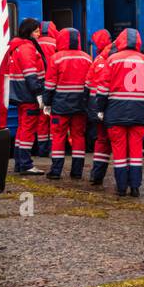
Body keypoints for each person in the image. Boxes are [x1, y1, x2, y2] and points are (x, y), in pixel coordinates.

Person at [93, 28, 144, 198]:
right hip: (139, 112)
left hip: (115, 113)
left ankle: (121, 187)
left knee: (119, 152)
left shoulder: (112, 60)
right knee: (136, 151)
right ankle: (135, 187)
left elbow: (103, 88)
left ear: (121, 41)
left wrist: (100, 109)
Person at [42, 27, 92, 180]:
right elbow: (90, 84)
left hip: (60, 105)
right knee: (78, 136)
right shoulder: (87, 58)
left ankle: (56, 171)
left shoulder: (56, 58)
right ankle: (77, 172)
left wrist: (47, 103)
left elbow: (49, 85)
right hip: (81, 106)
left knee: (58, 136)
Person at [1, 18, 48, 174]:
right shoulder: (27, 47)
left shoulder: (17, 46)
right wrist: (39, 94)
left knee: (22, 128)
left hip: (21, 94)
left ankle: (19, 163)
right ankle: (26, 165)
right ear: (28, 32)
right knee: (28, 129)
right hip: (29, 95)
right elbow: (30, 74)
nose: (38, 33)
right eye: (35, 31)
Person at [85, 29, 114, 186]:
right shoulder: (117, 58)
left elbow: (88, 83)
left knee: (101, 141)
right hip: (117, 107)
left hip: (99, 106)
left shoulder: (98, 60)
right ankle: (126, 182)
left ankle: (96, 176)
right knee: (121, 143)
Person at [34, 20, 58, 156]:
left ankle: (41, 149)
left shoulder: (34, 43)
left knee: (41, 118)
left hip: (38, 83)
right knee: (53, 118)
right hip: (53, 84)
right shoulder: (56, 43)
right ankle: (53, 148)